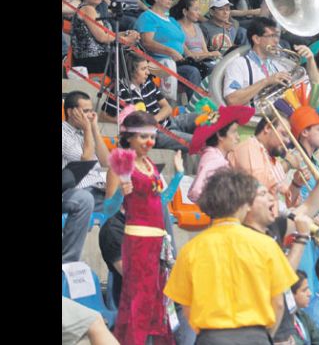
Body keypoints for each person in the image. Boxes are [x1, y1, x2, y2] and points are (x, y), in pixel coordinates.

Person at [165, 168, 297, 344]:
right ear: (245, 204)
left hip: (210, 338)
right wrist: (265, 337)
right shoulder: (266, 245)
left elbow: (185, 306)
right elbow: (279, 304)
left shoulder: (190, 250)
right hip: (256, 336)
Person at [103, 110, 184, 345]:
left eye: (152, 137)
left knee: (159, 306)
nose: (149, 142)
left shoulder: (149, 164)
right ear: (128, 137)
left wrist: (178, 175)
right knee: (138, 305)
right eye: (143, 137)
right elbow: (108, 211)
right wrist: (120, 194)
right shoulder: (120, 161)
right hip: (137, 244)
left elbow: (160, 202)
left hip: (158, 243)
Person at [62, 91, 110, 262]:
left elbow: (107, 163)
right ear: (71, 112)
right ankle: (68, 263)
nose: (90, 115)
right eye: (86, 111)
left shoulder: (87, 133)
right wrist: (88, 128)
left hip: (99, 191)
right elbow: (86, 158)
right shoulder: (63, 133)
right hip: (74, 191)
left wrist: (95, 129)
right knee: (84, 199)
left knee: (141, 197)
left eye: (92, 111)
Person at [222, 18, 312, 106]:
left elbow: (309, 86)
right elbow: (232, 100)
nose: (276, 41)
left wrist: (310, 59)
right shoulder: (238, 64)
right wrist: (266, 81)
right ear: (257, 39)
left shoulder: (280, 64)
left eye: (277, 36)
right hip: (255, 119)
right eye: (271, 36)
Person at [136, 0, 202, 101]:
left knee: (208, 68)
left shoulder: (172, 20)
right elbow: (147, 42)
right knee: (192, 72)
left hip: (178, 62)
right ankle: (196, 109)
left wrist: (193, 58)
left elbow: (182, 45)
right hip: (158, 63)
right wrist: (170, 52)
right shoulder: (148, 17)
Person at [70, 0, 140, 73]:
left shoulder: (93, 10)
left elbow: (107, 34)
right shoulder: (87, 9)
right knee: (133, 61)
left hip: (100, 58)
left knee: (134, 59)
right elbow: (102, 37)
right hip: (92, 60)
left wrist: (126, 33)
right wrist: (125, 40)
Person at [186, 105, 254, 201]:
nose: (238, 137)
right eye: (234, 132)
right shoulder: (216, 160)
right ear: (220, 136)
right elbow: (197, 191)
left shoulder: (213, 156)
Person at [290, 271, 319, 345]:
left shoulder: (303, 316)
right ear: (290, 294)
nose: (309, 293)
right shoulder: (281, 325)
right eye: (304, 290)